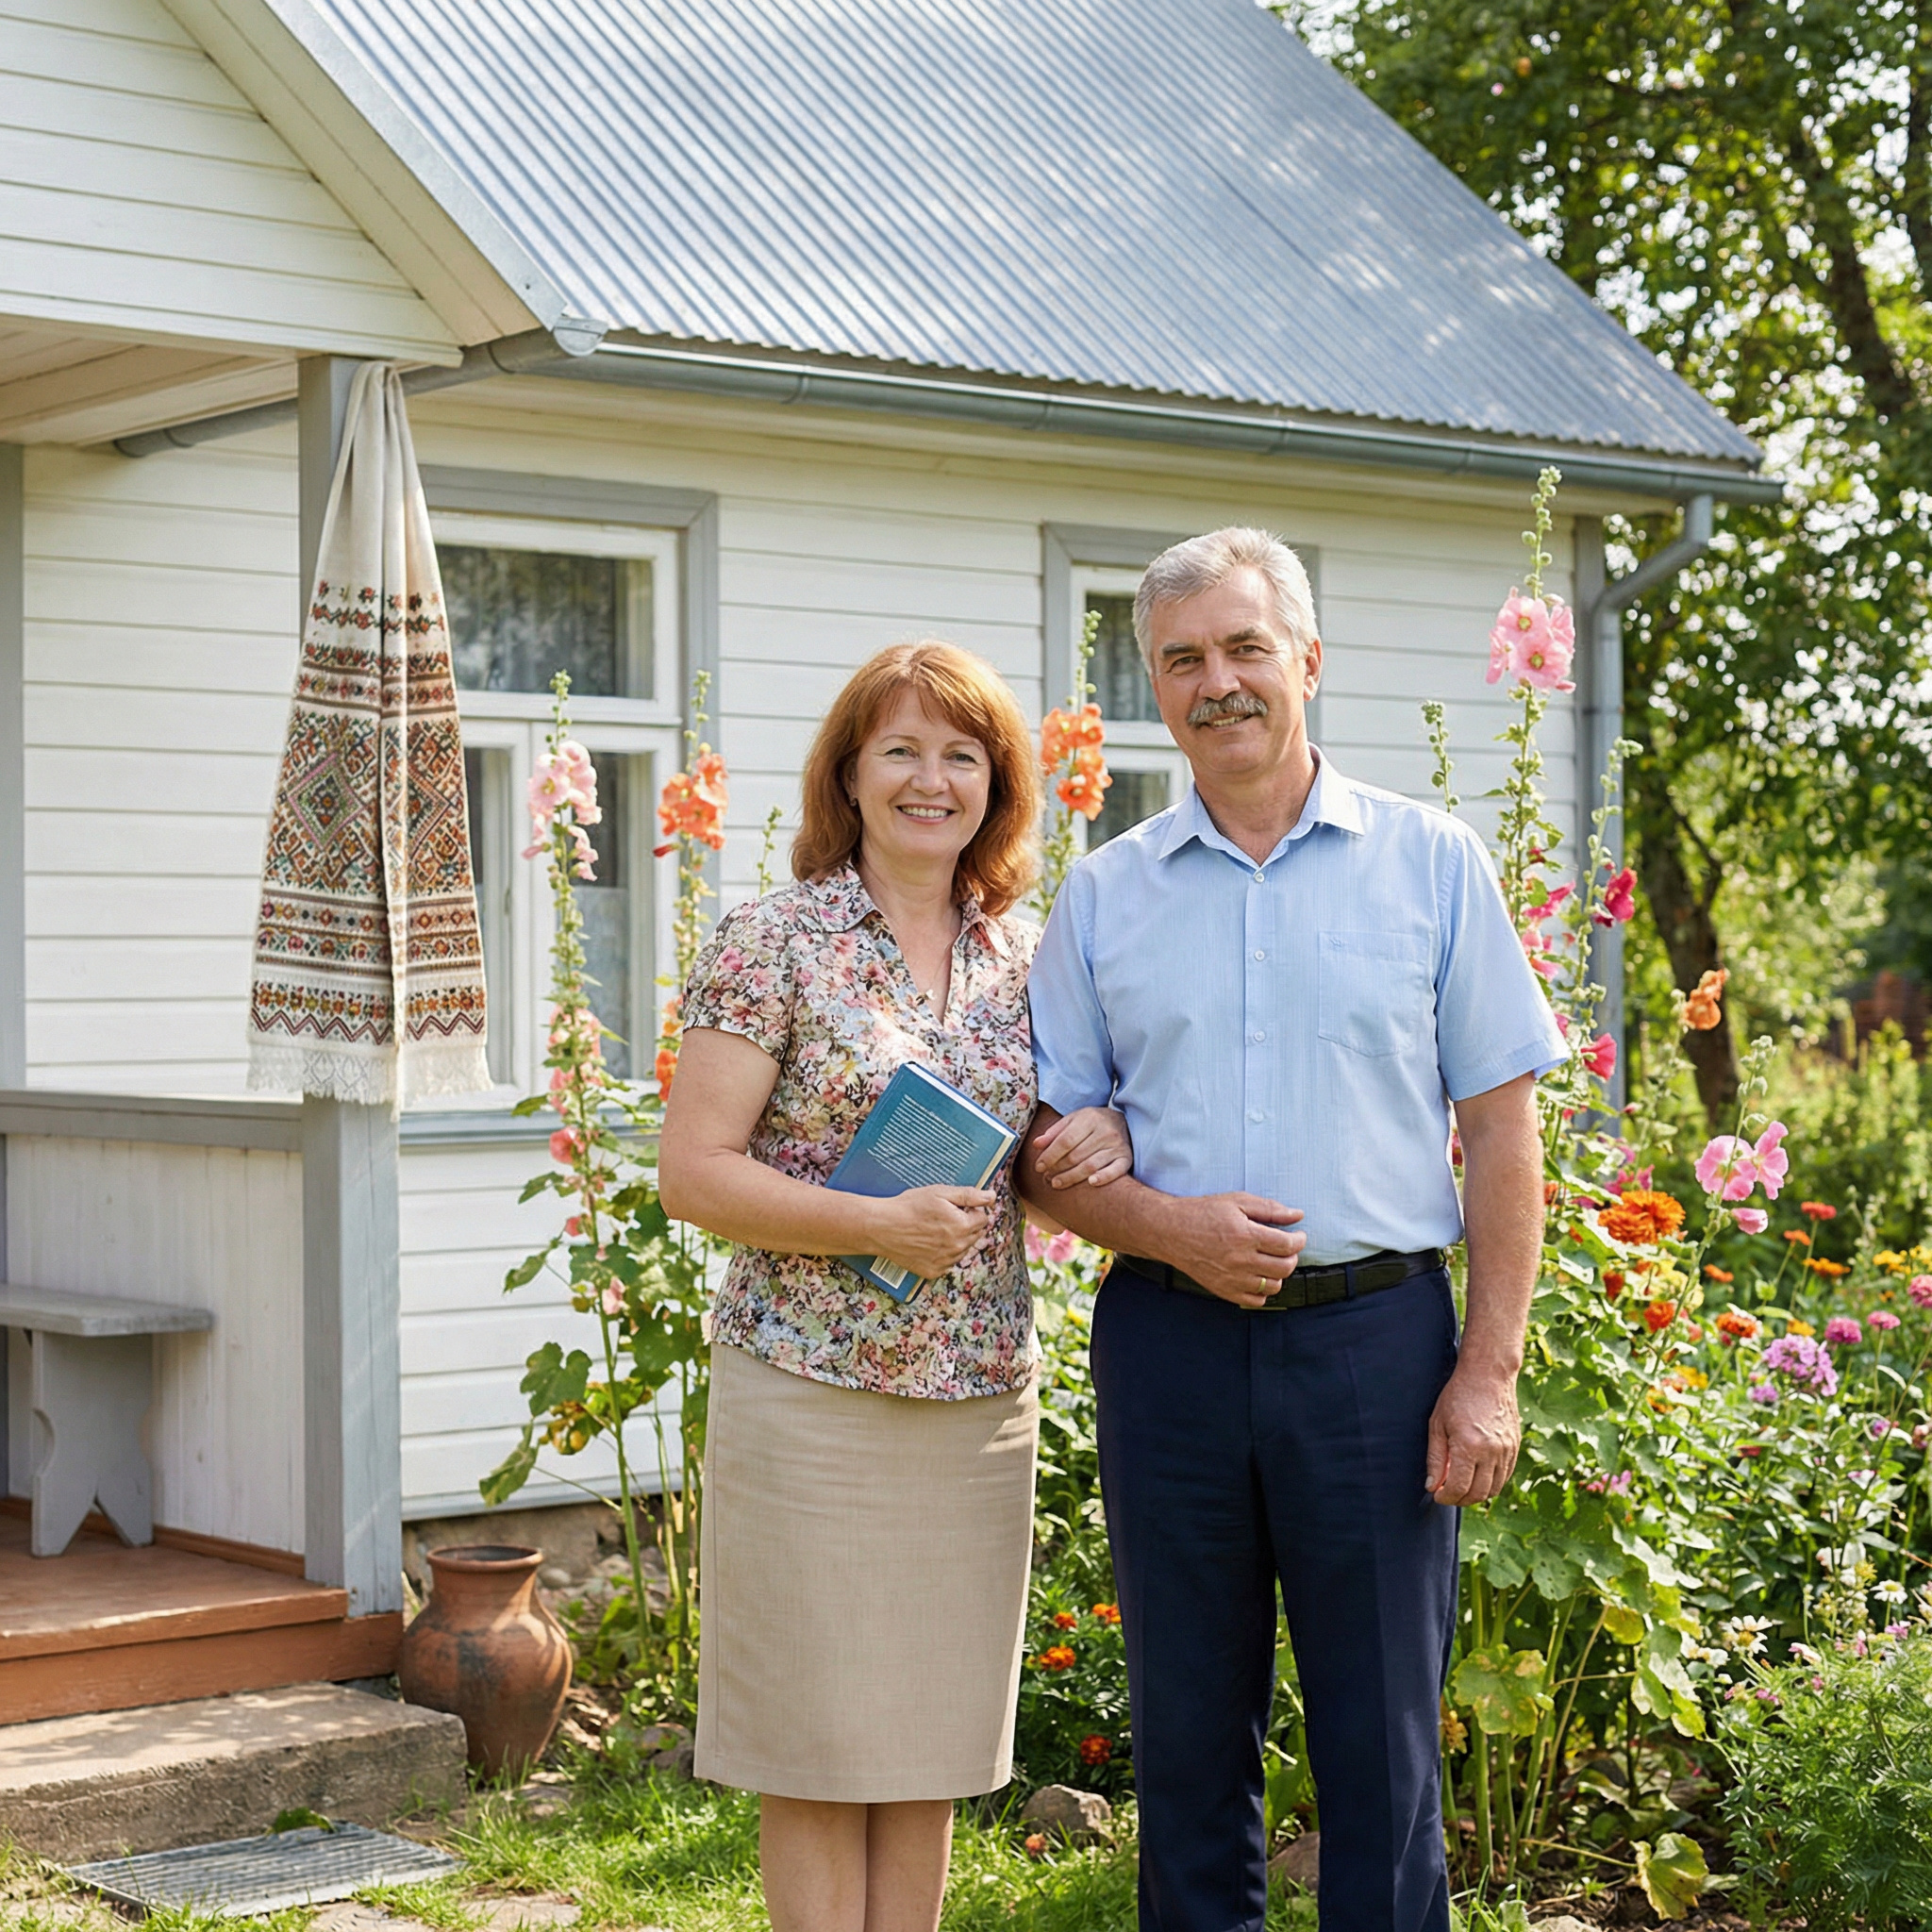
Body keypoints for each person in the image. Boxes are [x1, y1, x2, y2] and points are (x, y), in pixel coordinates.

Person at [1021, 529, 1566, 1932]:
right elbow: (1050, 1156)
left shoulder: (1432, 863)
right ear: (1155, 688)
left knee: (1383, 1744)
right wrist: (1167, 1226)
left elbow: (1506, 1132)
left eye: (1244, 647)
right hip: (1170, 1348)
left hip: (1378, 1350)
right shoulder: (1104, 895)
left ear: (1307, 660)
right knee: (1188, 1733)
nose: (1218, 682)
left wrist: (1489, 1371)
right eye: (1182, 659)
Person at [658, 640, 1128, 1932]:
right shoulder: (772, 940)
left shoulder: (1030, 960)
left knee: (928, 1742)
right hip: (807, 1390)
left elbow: (1043, 1166)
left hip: (975, 1400)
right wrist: (874, 1222)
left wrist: (1099, 1138)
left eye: (961, 755)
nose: (932, 779)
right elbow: (692, 1175)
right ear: (850, 774)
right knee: (815, 1744)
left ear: (998, 785)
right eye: (901, 750)